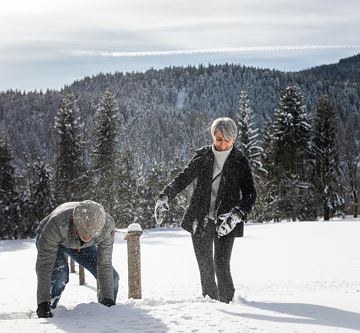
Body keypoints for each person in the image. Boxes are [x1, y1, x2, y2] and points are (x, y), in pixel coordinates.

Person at [155, 117, 256, 303]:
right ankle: (211, 306)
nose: (223, 144)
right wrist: (164, 196)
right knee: (205, 266)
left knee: (221, 264)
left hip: (226, 221)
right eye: (219, 139)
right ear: (213, 137)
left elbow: (250, 194)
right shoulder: (203, 157)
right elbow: (182, 178)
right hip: (199, 218)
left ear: (234, 139)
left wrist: (236, 215)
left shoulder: (240, 161)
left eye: (227, 140)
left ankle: (229, 304)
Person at [35, 200, 119, 318]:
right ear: (76, 222)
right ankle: (49, 309)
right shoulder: (57, 225)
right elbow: (44, 266)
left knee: (113, 278)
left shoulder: (106, 226)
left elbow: (104, 264)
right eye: (85, 232)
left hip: (82, 246)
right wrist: (42, 302)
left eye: (91, 234)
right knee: (60, 276)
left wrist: (108, 299)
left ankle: (105, 311)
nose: (88, 236)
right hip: (54, 240)